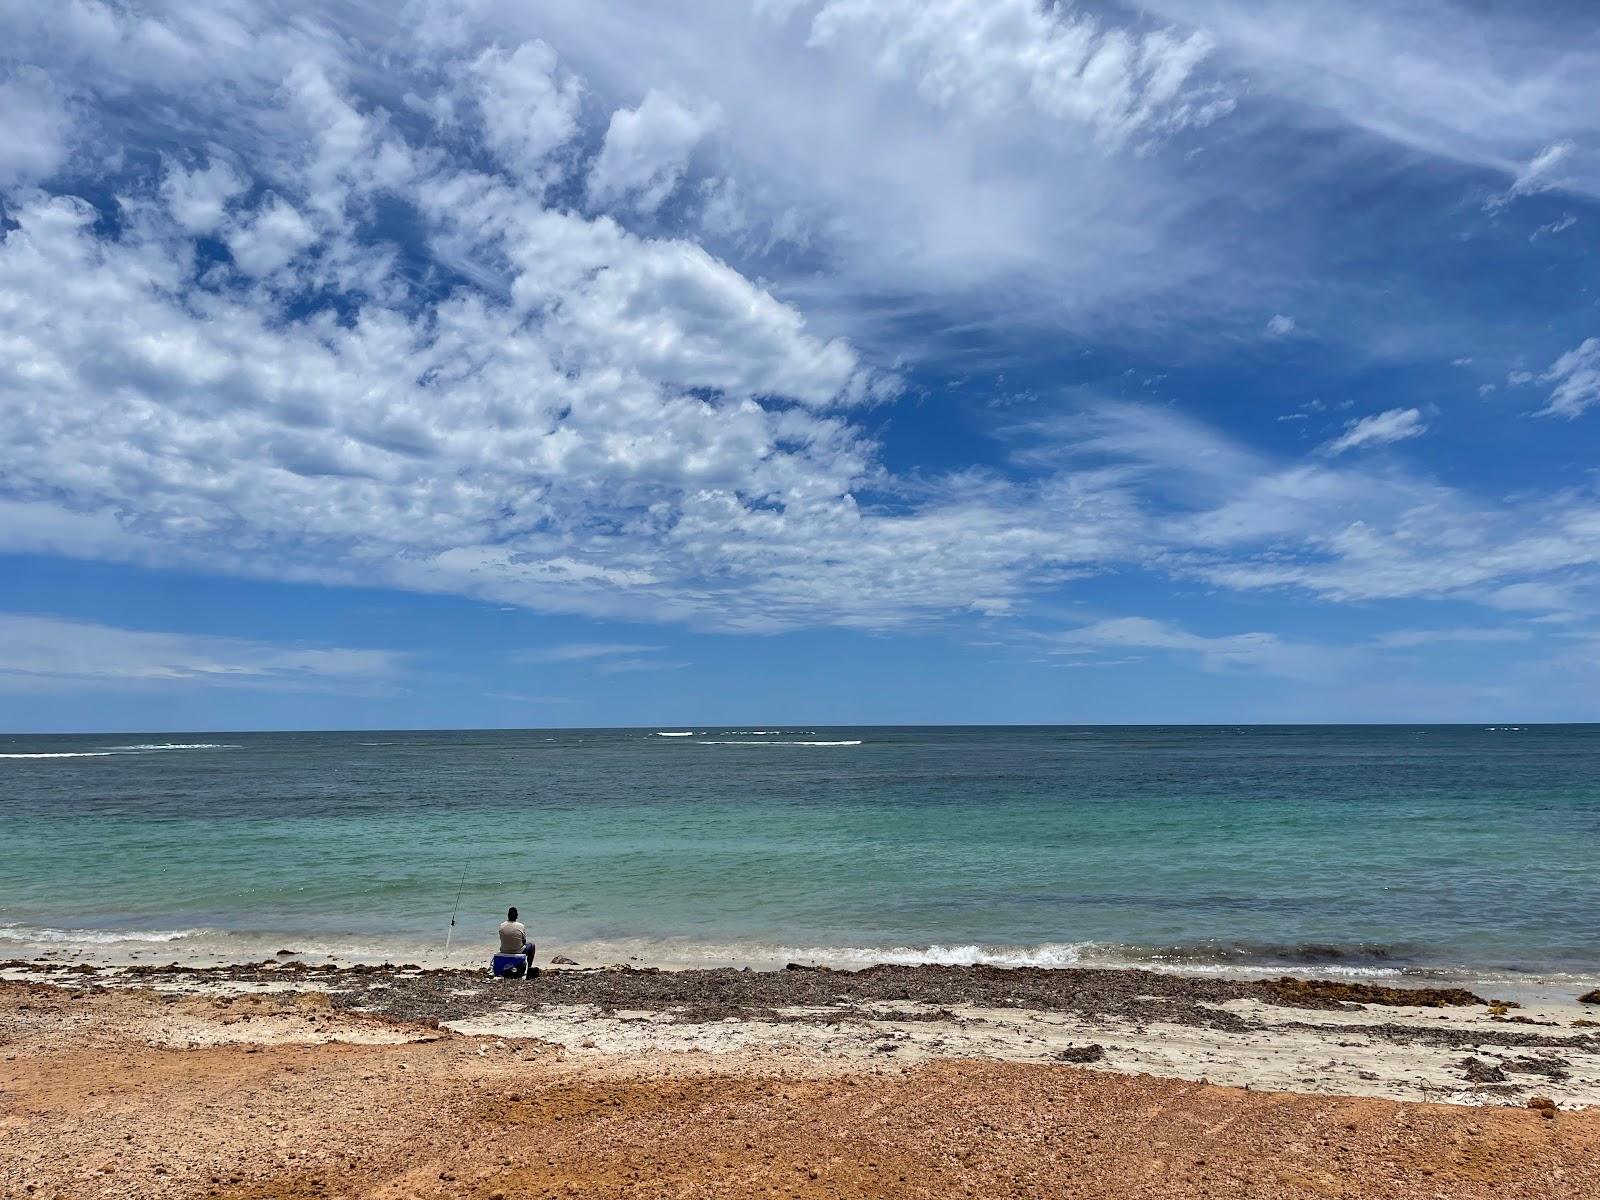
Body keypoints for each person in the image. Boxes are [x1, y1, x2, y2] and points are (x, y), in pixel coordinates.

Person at [498, 906, 536, 975]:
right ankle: (529, 968)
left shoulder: (501, 925)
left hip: (504, 950)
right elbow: (524, 942)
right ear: (517, 916)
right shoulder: (521, 926)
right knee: (532, 946)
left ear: (508, 915)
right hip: (518, 951)